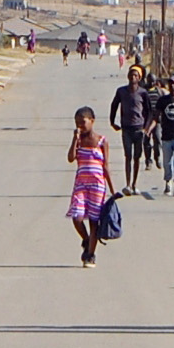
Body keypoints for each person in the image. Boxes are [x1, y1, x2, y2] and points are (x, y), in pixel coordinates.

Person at [66, 106, 115, 268]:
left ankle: (90, 255)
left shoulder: (102, 141)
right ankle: (86, 240)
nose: (80, 126)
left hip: (97, 186)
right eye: (77, 123)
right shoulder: (79, 141)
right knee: (77, 217)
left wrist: (113, 191)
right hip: (81, 184)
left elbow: (106, 166)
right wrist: (74, 139)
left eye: (83, 122)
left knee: (94, 221)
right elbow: (71, 158)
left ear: (92, 121)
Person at [109, 65, 150, 195]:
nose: (133, 77)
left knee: (137, 157)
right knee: (128, 156)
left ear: (139, 78)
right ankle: (127, 184)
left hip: (139, 129)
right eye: (131, 75)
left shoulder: (143, 93)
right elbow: (114, 105)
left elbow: (149, 111)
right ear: (127, 76)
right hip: (126, 128)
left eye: (135, 75)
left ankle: (134, 184)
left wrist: (146, 128)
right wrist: (112, 122)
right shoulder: (121, 91)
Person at [140, 73, 164, 171]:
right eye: (150, 81)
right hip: (146, 120)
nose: (151, 83)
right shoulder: (143, 91)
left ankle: (157, 157)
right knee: (146, 140)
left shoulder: (159, 91)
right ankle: (148, 161)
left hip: (157, 120)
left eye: (153, 81)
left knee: (157, 139)